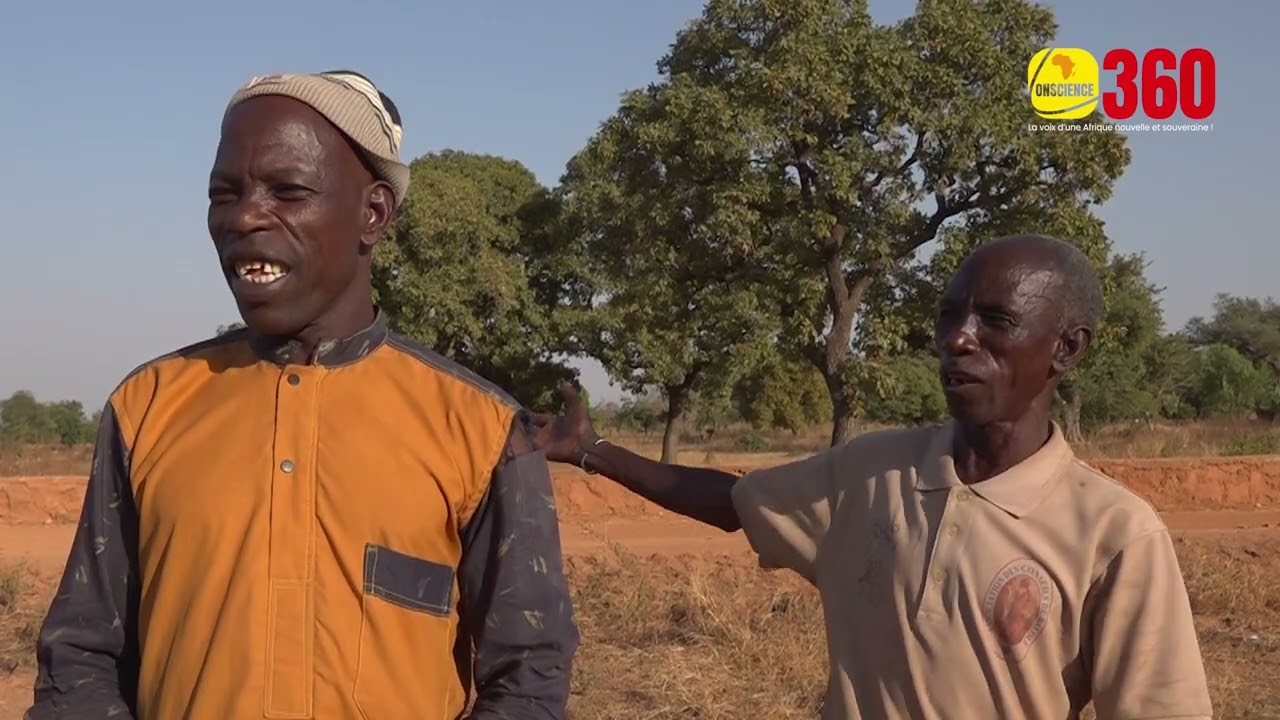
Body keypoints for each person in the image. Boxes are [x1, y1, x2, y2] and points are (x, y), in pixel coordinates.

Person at [27, 70, 578, 720]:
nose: (245, 216)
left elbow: (530, 676)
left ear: (373, 213)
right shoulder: (147, 407)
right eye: (223, 194)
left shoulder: (481, 428)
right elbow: (80, 659)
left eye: (287, 191)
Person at [532, 234, 1213, 719]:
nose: (957, 338)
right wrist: (593, 451)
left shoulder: (1115, 533)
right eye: (949, 316)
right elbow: (735, 503)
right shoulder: (872, 471)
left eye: (995, 320)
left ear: (1066, 348)